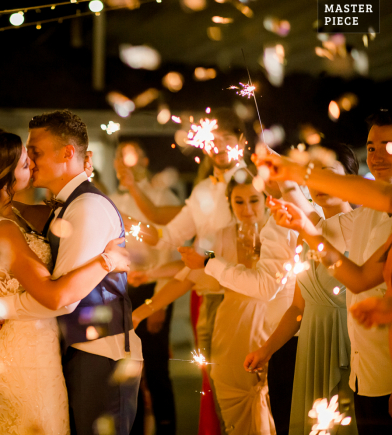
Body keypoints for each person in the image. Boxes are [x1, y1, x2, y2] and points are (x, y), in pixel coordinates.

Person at [0, 111, 140, 435]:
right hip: (75, 351)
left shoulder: (86, 208)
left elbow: (63, 299)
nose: (30, 160)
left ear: (67, 153)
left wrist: (2, 306)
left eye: (34, 152)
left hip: (99, 354)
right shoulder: (64, 206)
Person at [254, 111, 392, 433]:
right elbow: (358, 278)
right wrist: (308, 231)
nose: (378, 155)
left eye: (389, 145)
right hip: (366, 371)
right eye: (371, 147)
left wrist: (293, 170)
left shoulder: (382, 201)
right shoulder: (365, 216)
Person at [129, 108, 247, 434]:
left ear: (241, 141)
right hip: (207, 301)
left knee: (240, 397)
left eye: (227, 139)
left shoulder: (251, 188)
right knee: (219, 396)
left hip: (242, 301)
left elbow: (213, 253)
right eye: (213, 140)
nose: (219, 146)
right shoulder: (203, 192)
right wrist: (128, 224)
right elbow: (169, 238)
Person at [244, 142, 360, 435]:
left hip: (350, 343)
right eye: (313, 176)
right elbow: (298, 307)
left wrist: (281, 168)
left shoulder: (361, 227)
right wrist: (266, 350)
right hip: (312, 344)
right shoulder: (304, 236)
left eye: (329, 174)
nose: (320, 183)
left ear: (350, 179)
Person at [111, 141, 180, 435]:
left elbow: (171, 250)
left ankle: (166, 428)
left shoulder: (161, 196)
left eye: (130, 156)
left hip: (155, 285)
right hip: (122, 289)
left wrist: (159, 305)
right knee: (128, 368)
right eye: (120, 158)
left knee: (155, 369)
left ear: (145, 159)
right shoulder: (110, 199)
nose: (124, 163)